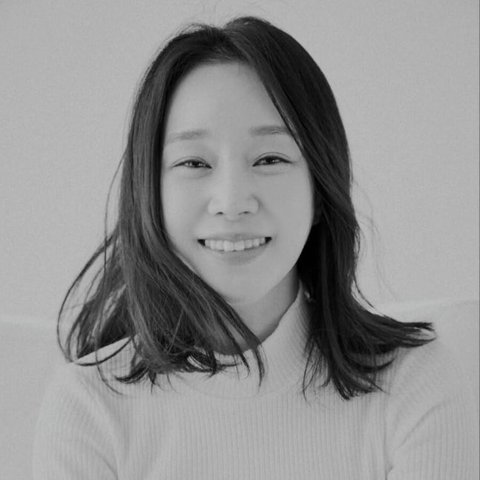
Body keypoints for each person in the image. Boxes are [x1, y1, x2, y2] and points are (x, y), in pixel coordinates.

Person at [33, 16, 477, 479]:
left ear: (320, 191)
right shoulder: (89, 408)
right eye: (194, 162)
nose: (232, 201)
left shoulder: (412, 385)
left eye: (269, 158)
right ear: (149, 194)